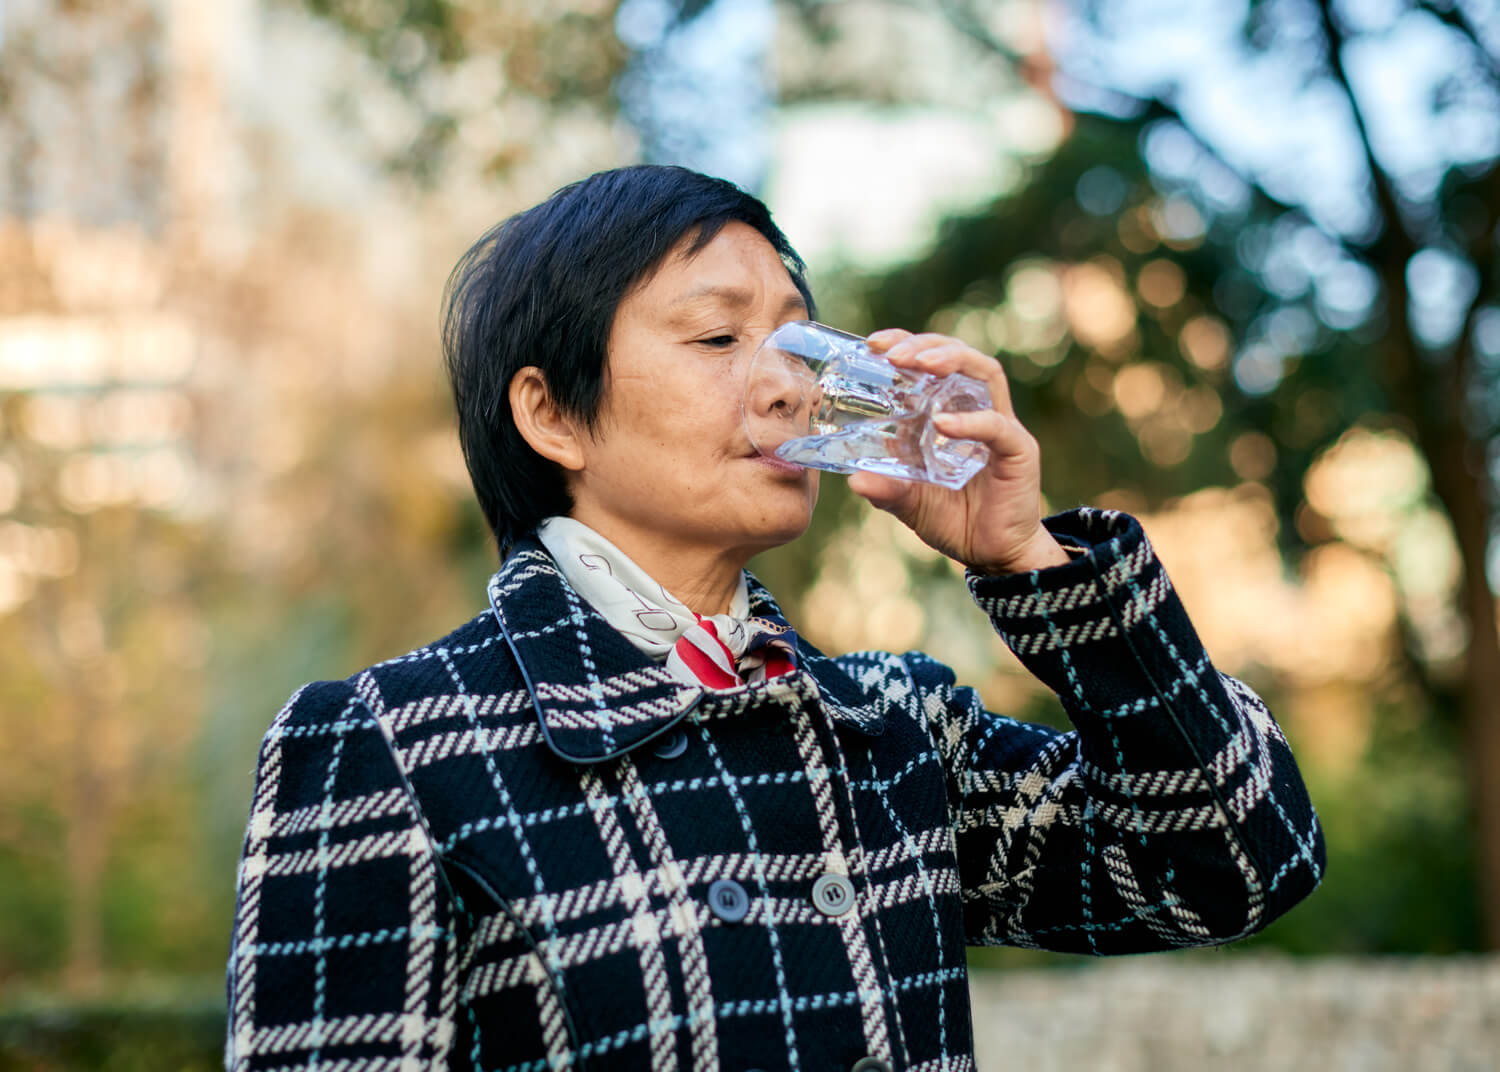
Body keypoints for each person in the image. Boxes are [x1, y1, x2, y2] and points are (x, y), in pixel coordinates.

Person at [225, 164, 1325, 1072]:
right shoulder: (390, 745)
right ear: (553, 413)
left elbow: (1235, 866)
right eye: (717, 341)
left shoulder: (891, 731)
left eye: (800, 339)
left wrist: (1032, 561)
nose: (794, 387)